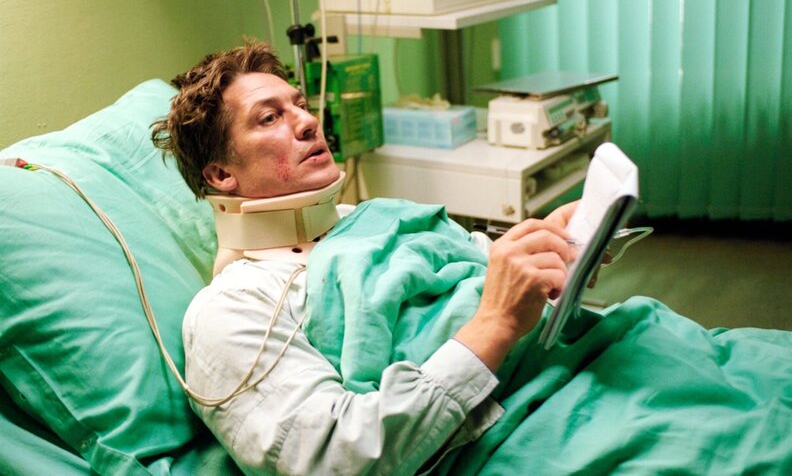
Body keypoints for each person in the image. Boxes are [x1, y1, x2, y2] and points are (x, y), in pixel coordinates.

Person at [151, 41, 580, 475]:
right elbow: (330, 459)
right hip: (528, 433)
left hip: (574, 363)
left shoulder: (371, 217)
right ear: (221, 174)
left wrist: (556, 248)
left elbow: (487, 271)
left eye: (300, 105)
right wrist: (496, 324)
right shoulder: (234, 308)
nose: (308, 122)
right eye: (270, 118)